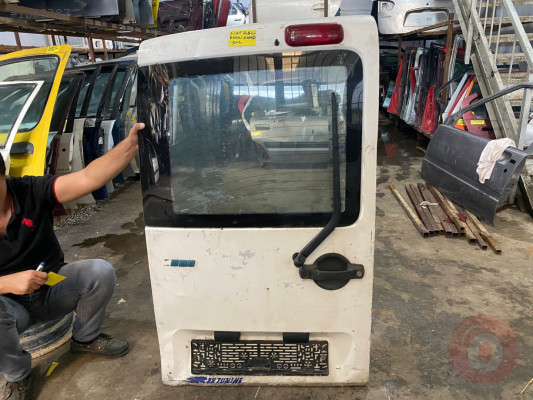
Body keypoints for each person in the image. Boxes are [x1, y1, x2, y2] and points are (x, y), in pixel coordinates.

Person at [0, 123, 145, 400]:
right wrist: (7, 283)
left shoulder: (30, 190)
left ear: (3, 176)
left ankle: (85, 339)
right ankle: (18, 376)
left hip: (51, 286)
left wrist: (131, 145)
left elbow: (88, 178)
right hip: (7, 306)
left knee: (99, 272)